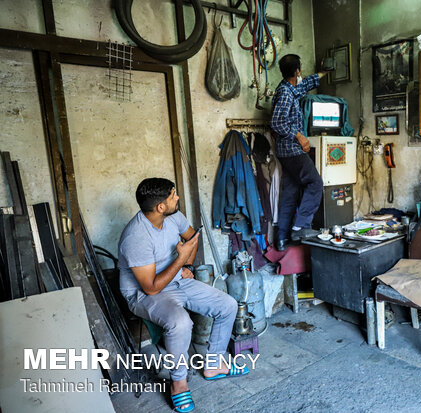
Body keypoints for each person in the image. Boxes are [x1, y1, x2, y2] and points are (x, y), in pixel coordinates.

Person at [118, 178, 246, 413]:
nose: (177, 198)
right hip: (143, 294)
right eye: (173, 196)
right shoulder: (135, 237)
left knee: (227, 305)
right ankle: (178, 383)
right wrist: (180, 261)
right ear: (160, 207)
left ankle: (214, 364)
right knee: (180, 323)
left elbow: (192, 238)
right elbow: (151, 288)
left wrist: (185, 262)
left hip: (175, 280)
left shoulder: (172, 216)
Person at [270, 54, 329, 251]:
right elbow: (277, 123)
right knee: (315, 183)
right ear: (297, 71)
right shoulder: (285, 94)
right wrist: (299, 136)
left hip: (285, 152)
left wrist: (323, 73)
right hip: (292, 150)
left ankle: (282, 238)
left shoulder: (289, 88)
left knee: (291, 191)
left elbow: (304, 86)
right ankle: (301, 226)